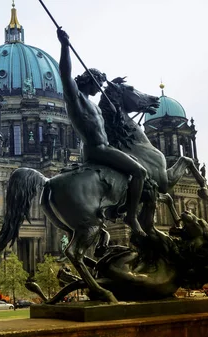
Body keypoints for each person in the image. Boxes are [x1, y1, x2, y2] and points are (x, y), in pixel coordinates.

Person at [57, 28, 147, 237]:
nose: (99, 89)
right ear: (90, 80)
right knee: (140, 172)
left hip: (104, 146)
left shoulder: (94, 105)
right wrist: (64, 46)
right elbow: (64, 73)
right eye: (98, 82)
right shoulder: (76, 98)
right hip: (97, 150)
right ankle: (131, 217)